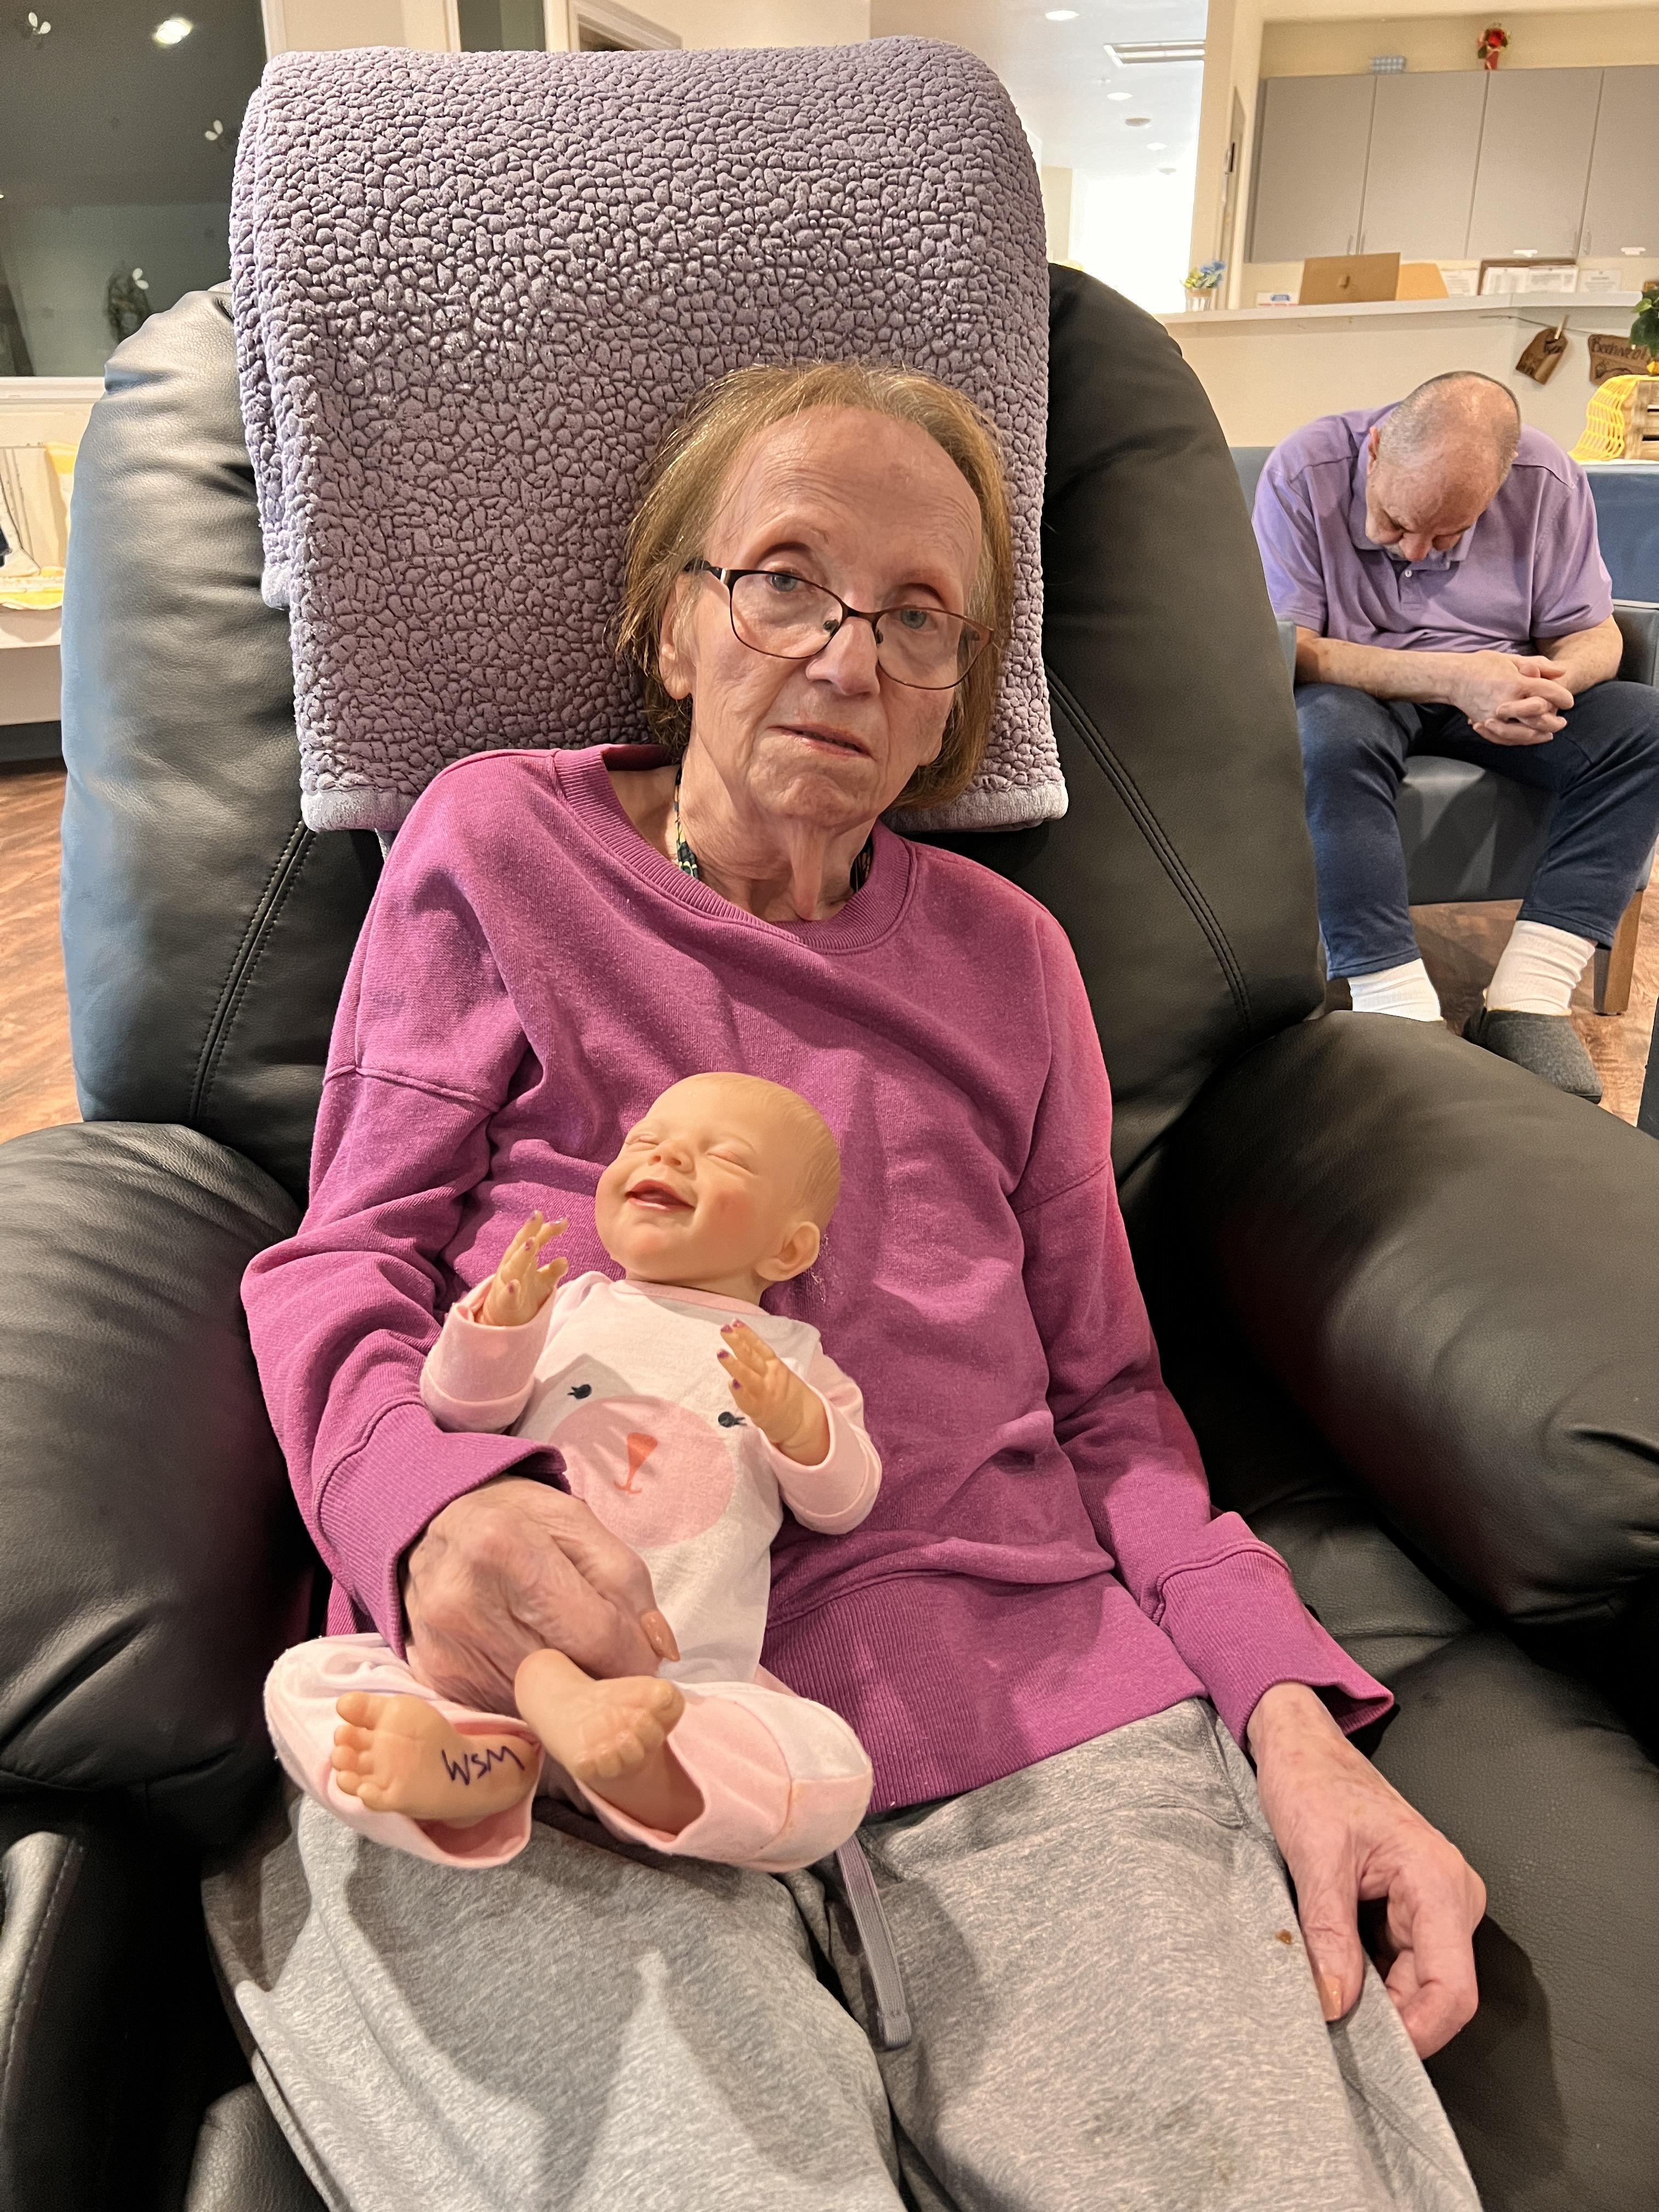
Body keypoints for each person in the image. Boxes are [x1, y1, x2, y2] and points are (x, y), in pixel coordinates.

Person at [215, 358, 1486, 2212]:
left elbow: (1114, 1409)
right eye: (785, 579)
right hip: (572, 1700)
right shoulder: (498, 844)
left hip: (1034, 1715)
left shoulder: (1012, 962)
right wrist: (429, 1520)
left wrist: (1283, 1713)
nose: (847, 653)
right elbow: (348, 1253)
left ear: (954, 704)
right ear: (670, 620)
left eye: (917, 621)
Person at [264, 1071, 879, 1872]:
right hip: (486, 1646)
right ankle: (485, 1759)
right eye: (647, 1145)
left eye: (722, 1157)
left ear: (789, 1248)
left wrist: (800, 1425)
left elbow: (845, 1504)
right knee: (309, 1678)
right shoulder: (576, 1307)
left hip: (674, 1688)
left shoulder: (795, 1361)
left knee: (830, 1770)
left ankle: (619, 1769)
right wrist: (498, 1326)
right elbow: (458, 1417)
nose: (671, 1159)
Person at [1254, 370, 1659, 1103]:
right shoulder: (1302, 470)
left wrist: (1549, 686)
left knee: (1648, 729)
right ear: (1374, 451)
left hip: (1506, 679)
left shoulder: (1548, 479)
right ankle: (1393, 1003)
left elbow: (1593, 629)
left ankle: (1527, 1002)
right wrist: (1455, 679)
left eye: (1447, 534)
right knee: (1324, 733)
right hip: (1363, 684)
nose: (1413, 552)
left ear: (1501, 485)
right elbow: (1296, 648)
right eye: (1394, 522)